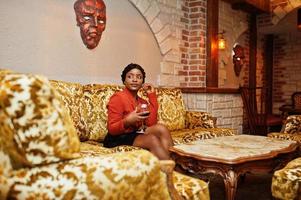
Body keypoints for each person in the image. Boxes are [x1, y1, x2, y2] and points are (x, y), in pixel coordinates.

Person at [104, 63, 174, 160]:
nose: (135, 80)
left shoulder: (142, 101)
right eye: (130, 76)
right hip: (117, 137)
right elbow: (112, 129)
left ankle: (172, 161)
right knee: (152, 139)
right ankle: (171, 168)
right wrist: (128, 120)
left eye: (139, 77)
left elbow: (151, 123)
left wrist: (151, 95)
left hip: (135, 132)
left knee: (162, 129)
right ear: (124, 80)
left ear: (142, 82)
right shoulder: (118, 98)